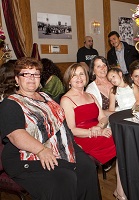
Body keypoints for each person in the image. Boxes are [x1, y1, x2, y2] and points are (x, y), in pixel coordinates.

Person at [0, 57, 100, 200]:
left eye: (35, 74)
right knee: (64, 177)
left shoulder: (46, 96)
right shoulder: (10, 104)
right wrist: (41, 150)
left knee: (87, 166)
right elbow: (16, 135)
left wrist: (71, 142)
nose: (31, 78)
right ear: (17, 79)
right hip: (25, 155)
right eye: (25, 74)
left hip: (59, 147)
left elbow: (61, 121)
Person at [60, 63, 126, 200]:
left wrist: (100, 127)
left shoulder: (91, 96)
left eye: (82, 74)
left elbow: (102, 117)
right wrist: (93, 131)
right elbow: (71, 129)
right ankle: (121, 191)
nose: (79, 78)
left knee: (125, 141)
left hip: (97, 132)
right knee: (123, 145)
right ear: (69, 80)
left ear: (86, 77)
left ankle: (121, 189)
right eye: (75, 75)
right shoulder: (66, 100)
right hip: (81, 138)